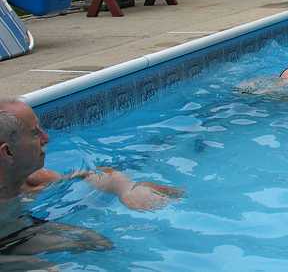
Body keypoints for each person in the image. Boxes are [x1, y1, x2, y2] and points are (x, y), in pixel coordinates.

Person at [0, 99, 182, 257]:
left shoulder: (32, 178)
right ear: (7, 152)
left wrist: (128, 188)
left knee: (100, 243)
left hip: (21, 230)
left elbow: (88, 175)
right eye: (34, 133)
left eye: (41, 128)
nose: (46, 138)